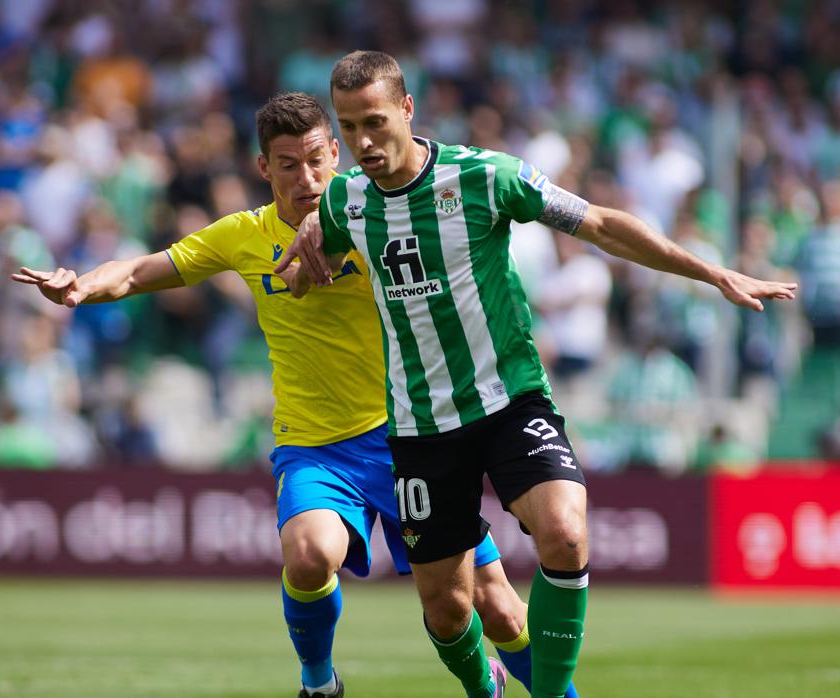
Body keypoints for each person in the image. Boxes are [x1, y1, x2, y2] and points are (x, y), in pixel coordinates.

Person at [13, 92, 568, 698]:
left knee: (500, 613)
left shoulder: (375, 214)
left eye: (315, 160)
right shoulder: (244, 236)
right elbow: (142, 270)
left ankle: (510, 687)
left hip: (411, 436)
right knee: (307, 555)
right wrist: (79, 286)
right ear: (263, 169)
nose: (305, 179)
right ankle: (319, 683)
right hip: (315, 447)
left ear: (336, 152)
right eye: (287, 165)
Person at [278, 51, 796, 698]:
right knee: (447, 608)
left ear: (407, 110)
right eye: (349, 127)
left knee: (565, 530)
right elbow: (307, 258)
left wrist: (713, 272)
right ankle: (486, 689)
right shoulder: (345, 201)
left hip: (509, 401)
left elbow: (603, 225)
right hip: (421, 427)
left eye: (375, 122)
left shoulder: (486, 177)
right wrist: (299, 264)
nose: (362, 142)